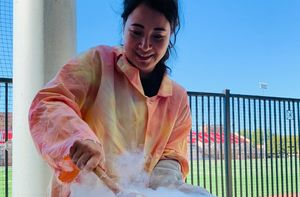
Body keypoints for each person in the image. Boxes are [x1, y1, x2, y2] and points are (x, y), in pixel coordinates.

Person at [29, 0, 213, 196]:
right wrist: (79, 137)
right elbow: (49, 102)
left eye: (158, 37)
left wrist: (166, 188)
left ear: (171, 35)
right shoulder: (97, 63)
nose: (145, 45)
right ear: (124, 25)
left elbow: (170, 156)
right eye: (136, 32)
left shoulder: (178, 98)